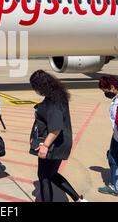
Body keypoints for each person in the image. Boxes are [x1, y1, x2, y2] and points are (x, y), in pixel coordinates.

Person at [30, 70, 87, 202]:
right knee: (52, 174)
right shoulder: (59, 96)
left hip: (53, 144)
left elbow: (55, 128)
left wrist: (45, 146)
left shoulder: (52, 103)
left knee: (43, 177)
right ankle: (78, 199)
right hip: (61, 142)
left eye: (36, 87)